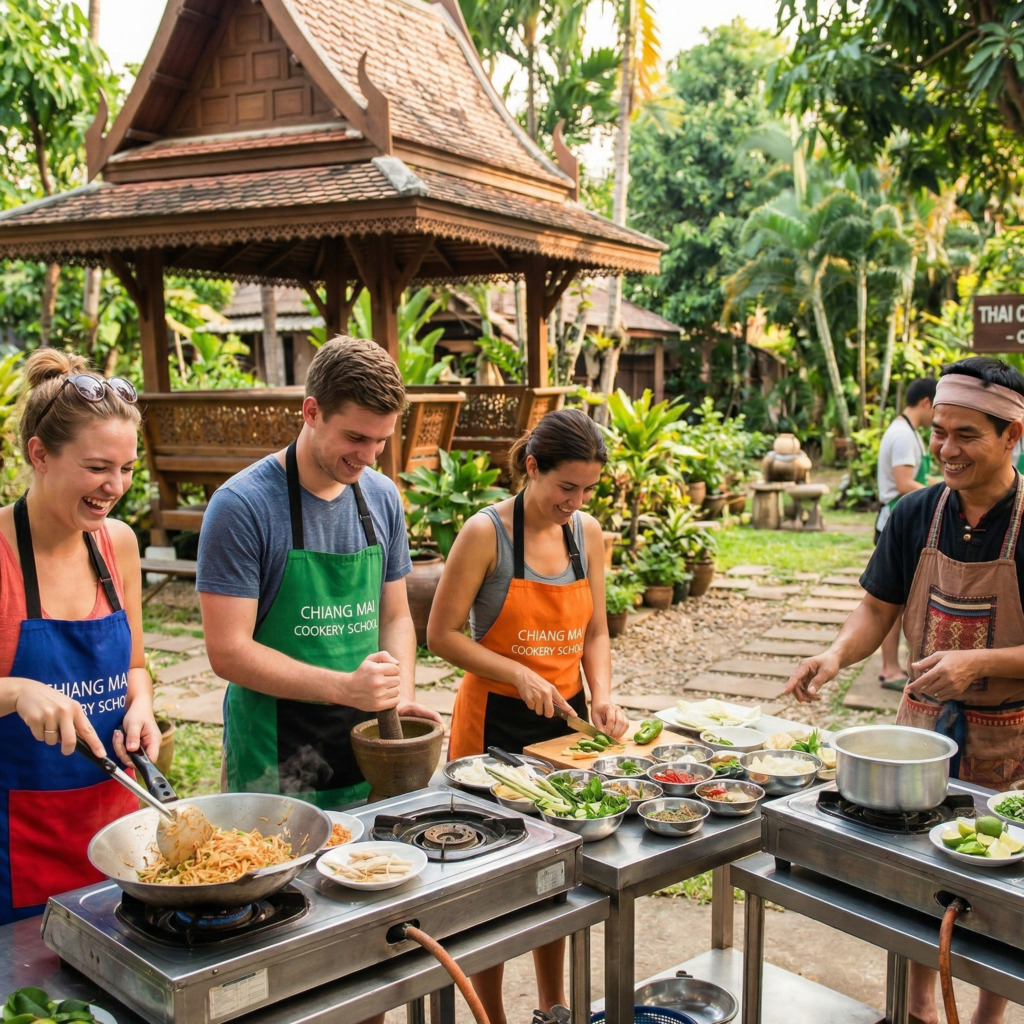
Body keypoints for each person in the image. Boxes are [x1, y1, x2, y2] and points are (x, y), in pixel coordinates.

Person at [784, 355, 1024, 1024]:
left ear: (1012, 437)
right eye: (939, 432)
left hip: (1011, 738)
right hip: (920, 736)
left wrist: (979, 666)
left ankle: (985, 1017)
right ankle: (918, 1010)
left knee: (998, 882)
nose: (946, 449)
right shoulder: (917, 513)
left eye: (966, 435)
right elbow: (876, 608)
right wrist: (835, 653)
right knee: (917, 875)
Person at [428, 407, 628, 1023]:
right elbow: (440, 634)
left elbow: (595, 629)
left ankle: (554, 1008)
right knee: (493, 885)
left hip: (562, 729)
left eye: (588, 489)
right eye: (566, 486)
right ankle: (491, 1016)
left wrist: (605, 694)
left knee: (555, 876)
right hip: (490, 729)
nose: (576, 501)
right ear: (532, 467)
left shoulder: (586, 535)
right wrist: (516, 671)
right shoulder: (485, 533)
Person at [197, 336, 440, 811]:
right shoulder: (243, 506)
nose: (369, 455)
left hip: (369, 744)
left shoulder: (382, 496)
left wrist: (402, 695)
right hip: (275, 751)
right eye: (355, 438)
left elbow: (394, 617)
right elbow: (228, 651)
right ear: (311, 412)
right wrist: (344, 687)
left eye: (381, 440)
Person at [0, 350, 160, 925]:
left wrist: (142, 705)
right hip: (19, 844)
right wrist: (16, 691)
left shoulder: (117, 544)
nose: (114, 487)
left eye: (127, 469)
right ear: (39, 455)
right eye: (97, 468)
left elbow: (135, 665)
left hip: (119, 831)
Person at [874, 377, 936, 690]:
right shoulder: (902, 435)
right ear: (926, 402)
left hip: (904, 519)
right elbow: (904, 484)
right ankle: (889, 668)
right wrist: (945, 491)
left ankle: (896, 666)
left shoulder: (910, 432)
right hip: (895, 521)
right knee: (890, 601)